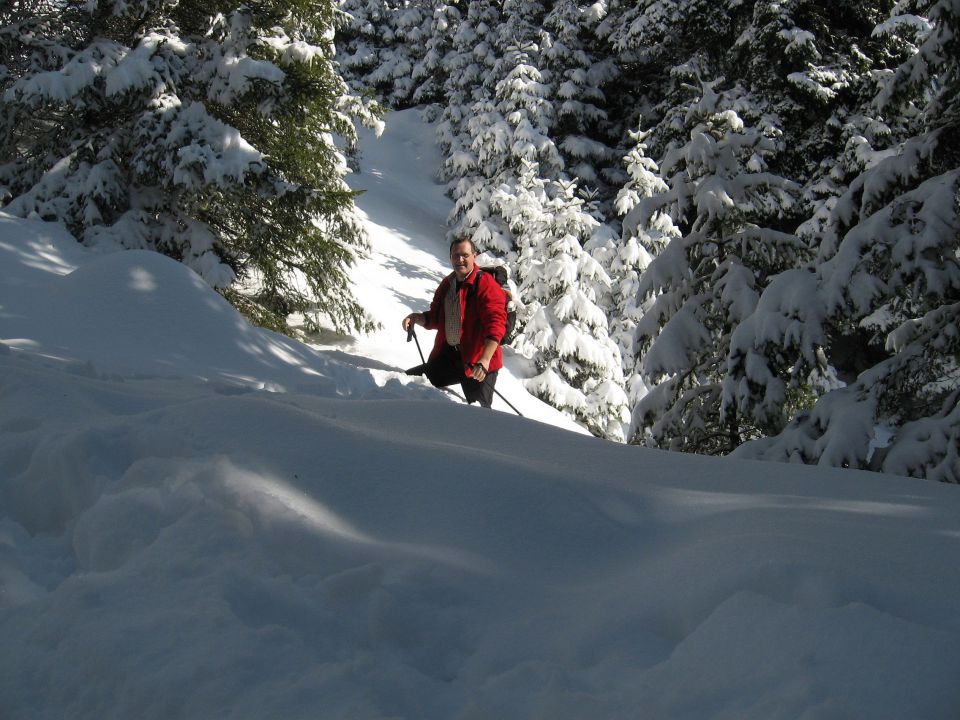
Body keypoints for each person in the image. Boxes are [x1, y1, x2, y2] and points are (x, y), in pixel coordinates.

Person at [403, 238, 507, 407]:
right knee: (412, 384)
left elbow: (496, 324)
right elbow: (436, 318)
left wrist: (485, 359)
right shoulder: (448, 283)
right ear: (450, 257)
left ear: (474, 256)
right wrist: (416, 318)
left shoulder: (486, 285)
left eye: (465, 255)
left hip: (478, 364)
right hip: (450, 357)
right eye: (456, 255)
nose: (460, 260)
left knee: (478, 413)